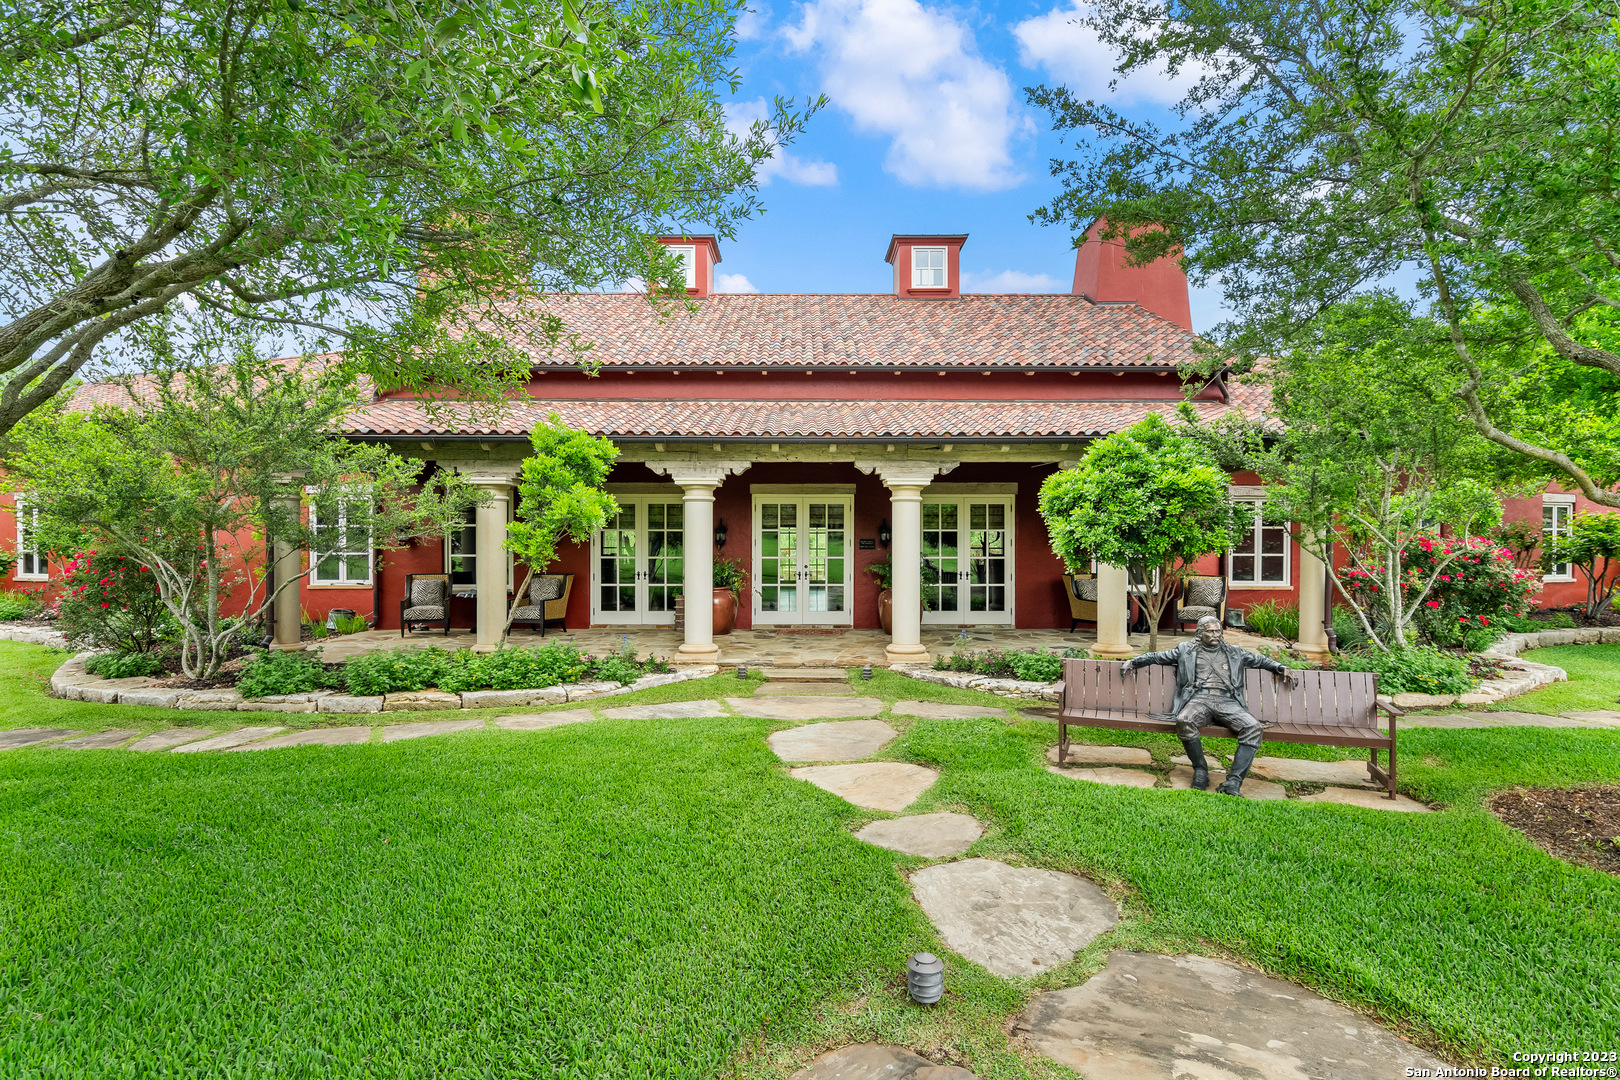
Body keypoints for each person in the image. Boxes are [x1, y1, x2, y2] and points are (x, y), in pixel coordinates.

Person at [1122, 615, 1296, 796]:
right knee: (1184, 719)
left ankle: (1233, 782)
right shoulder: (1186, 650)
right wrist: (1134, 661)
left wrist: (1280, 667)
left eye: (1218, 631)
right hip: (1199, 700)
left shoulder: (1234, 651)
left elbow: (1260, 660)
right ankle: (1201, 770)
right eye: (1210, 631)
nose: (1215, 635)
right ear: (1199, 633)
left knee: (1253, 727)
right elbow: (1158, 657)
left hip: (1228, 701)